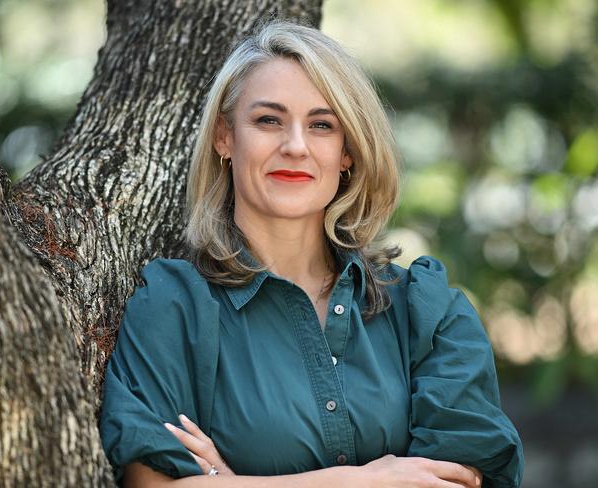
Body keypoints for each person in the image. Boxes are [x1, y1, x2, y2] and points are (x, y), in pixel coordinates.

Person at [99, 20, 524, 488]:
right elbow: (152, 484)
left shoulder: (428, 312)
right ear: (225, 137)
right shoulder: (173, 307)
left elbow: (454, 481)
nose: (295, 146)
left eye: (322, 125)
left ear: (348, 151)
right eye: (268, 120)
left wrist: (230, 480)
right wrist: (364, 480)